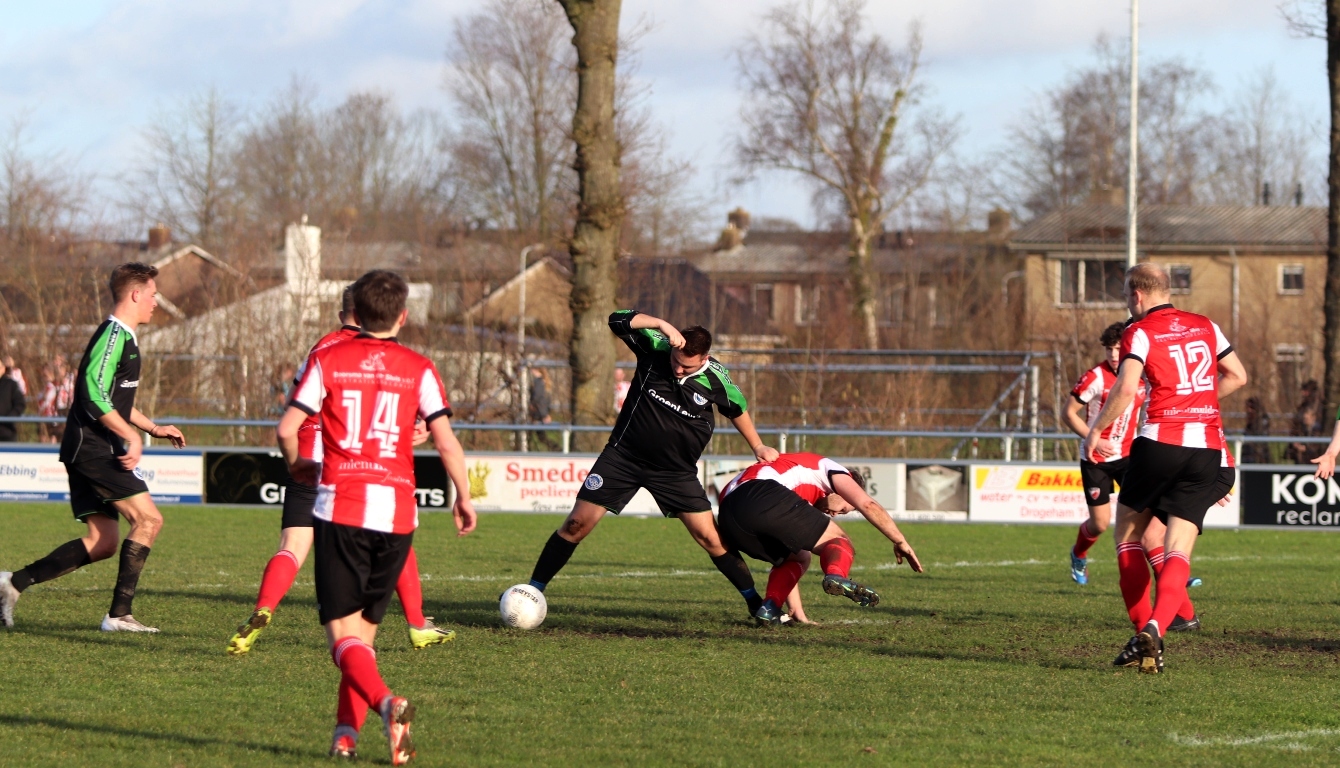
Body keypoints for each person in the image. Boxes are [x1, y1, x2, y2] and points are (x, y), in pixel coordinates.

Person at [276, 269, 476, 763]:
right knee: (362, 639)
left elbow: (286, 428)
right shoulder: (420, 367)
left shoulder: (327, 359)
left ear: (354, 314)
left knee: (341, 640)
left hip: (342, 509)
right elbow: (446, 442)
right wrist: (464, 496)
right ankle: (345, 736)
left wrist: (298, 464)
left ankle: (387, 704)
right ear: (402, 317)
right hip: (398, 516)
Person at [228, 287, 452, 656]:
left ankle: (263, 608)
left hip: (307, 457)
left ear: (342, 313)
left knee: (292, 546)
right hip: (352, 467)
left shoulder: (322, 349)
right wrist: (417, 429)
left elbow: (294, 408)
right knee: (392, 537)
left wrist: (296, 458)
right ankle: (416, 623)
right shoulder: (385, 354)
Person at [524, 310, 780, 616]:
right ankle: (531, 592)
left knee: (710, 537)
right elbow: (616, 320)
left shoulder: (716, 379)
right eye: (676, 361)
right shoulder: (656, 347)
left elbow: (736, 409)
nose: (678, 369)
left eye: (687, 366)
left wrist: (757, 445)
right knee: (575, 525)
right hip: (622, 459)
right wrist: (660, 324)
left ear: (705, 358)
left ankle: (755, 603)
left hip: (674, 472)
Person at [0, 263, 187, 632]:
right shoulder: (114, 335)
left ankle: (11, 584)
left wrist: (152, 427)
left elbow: (114, 399)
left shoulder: (125, 338)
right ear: (136, 294)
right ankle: (119, 616)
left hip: (88, 446)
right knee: (148, 520)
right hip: (93, 447)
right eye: (152, 295)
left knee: (103, 542)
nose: (155, 302)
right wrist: (130, 436)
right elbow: (91, 392)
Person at [1083, 263, 1247, 674]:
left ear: (1136, 295)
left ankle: (1143, 631)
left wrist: (1096, 430)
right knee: (1176, 548)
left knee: (1128, 535)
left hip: (1160, 442)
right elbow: (1238, 376)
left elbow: (1126, 388)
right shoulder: (1206, 325)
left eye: (1126, 295)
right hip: (1206, 449)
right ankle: (1157, 628)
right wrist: (1198, 403)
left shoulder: (1138, 331)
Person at [715, 452, 923, 624]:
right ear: (844, 489)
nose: (835, 514)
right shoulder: (832, 470)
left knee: (798, 557)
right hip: (761, 495)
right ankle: (836, 575)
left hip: (728, 517)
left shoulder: (793, 479)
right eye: (843, 509)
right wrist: (900, 541)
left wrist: (798, 611)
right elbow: (868, 505)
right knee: (840, 541)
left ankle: (770, 608)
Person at [1062, 322, 1145, 585]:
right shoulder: (1095, 377)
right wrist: (1094, 439)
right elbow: (1068, 413)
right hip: (1095, 460)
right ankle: (1078, 554)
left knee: (1146, 514)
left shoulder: (1140, 375)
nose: (1113, 355)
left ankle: (1171, 569)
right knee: (1100, 524)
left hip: (1128, 457)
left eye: (1118, 349)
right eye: (1109, 349)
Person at [1287, 380, 1325, 464]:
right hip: (1301, 444)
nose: (1303, 393)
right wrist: (1294, 441)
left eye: (1305, 391)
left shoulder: (1318, 407)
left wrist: (1308, 447)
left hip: (1312, 449)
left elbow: (1318, 431)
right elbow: (1296, 425)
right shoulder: (1303, 406)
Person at [0, 356, 25, 442]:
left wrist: (9, 418)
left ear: (3, 369)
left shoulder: (11, 385)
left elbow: (20, 404)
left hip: (6, 432)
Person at [1241, 396, 1272, 465]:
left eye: (1252, 408)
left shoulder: (1262, 422)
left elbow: (1261, 441)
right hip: (1248, 457)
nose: (1249, 410)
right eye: (1248, 407)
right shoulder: (1250, 422)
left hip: (1258, 458)